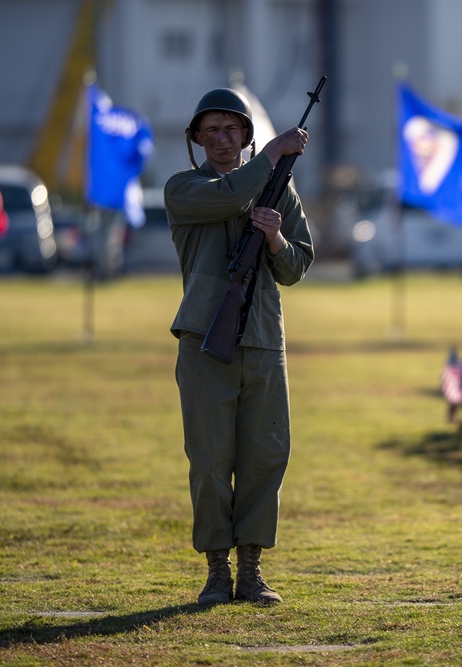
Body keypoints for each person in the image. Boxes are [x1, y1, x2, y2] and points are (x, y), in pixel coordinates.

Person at [165, 87, 313, 606]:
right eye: (212, 131)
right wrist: (272, 154)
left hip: (263, 342)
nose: (222, 139)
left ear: (244, 134)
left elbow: (296, 267)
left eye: (232, 129)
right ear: (197, 140)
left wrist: (274, 239)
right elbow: (229, 195)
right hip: (204, 340)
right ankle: (215, 572)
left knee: (264, 456)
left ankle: (250, 570)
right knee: (209, 459)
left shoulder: (279, 192)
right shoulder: (184, 188)